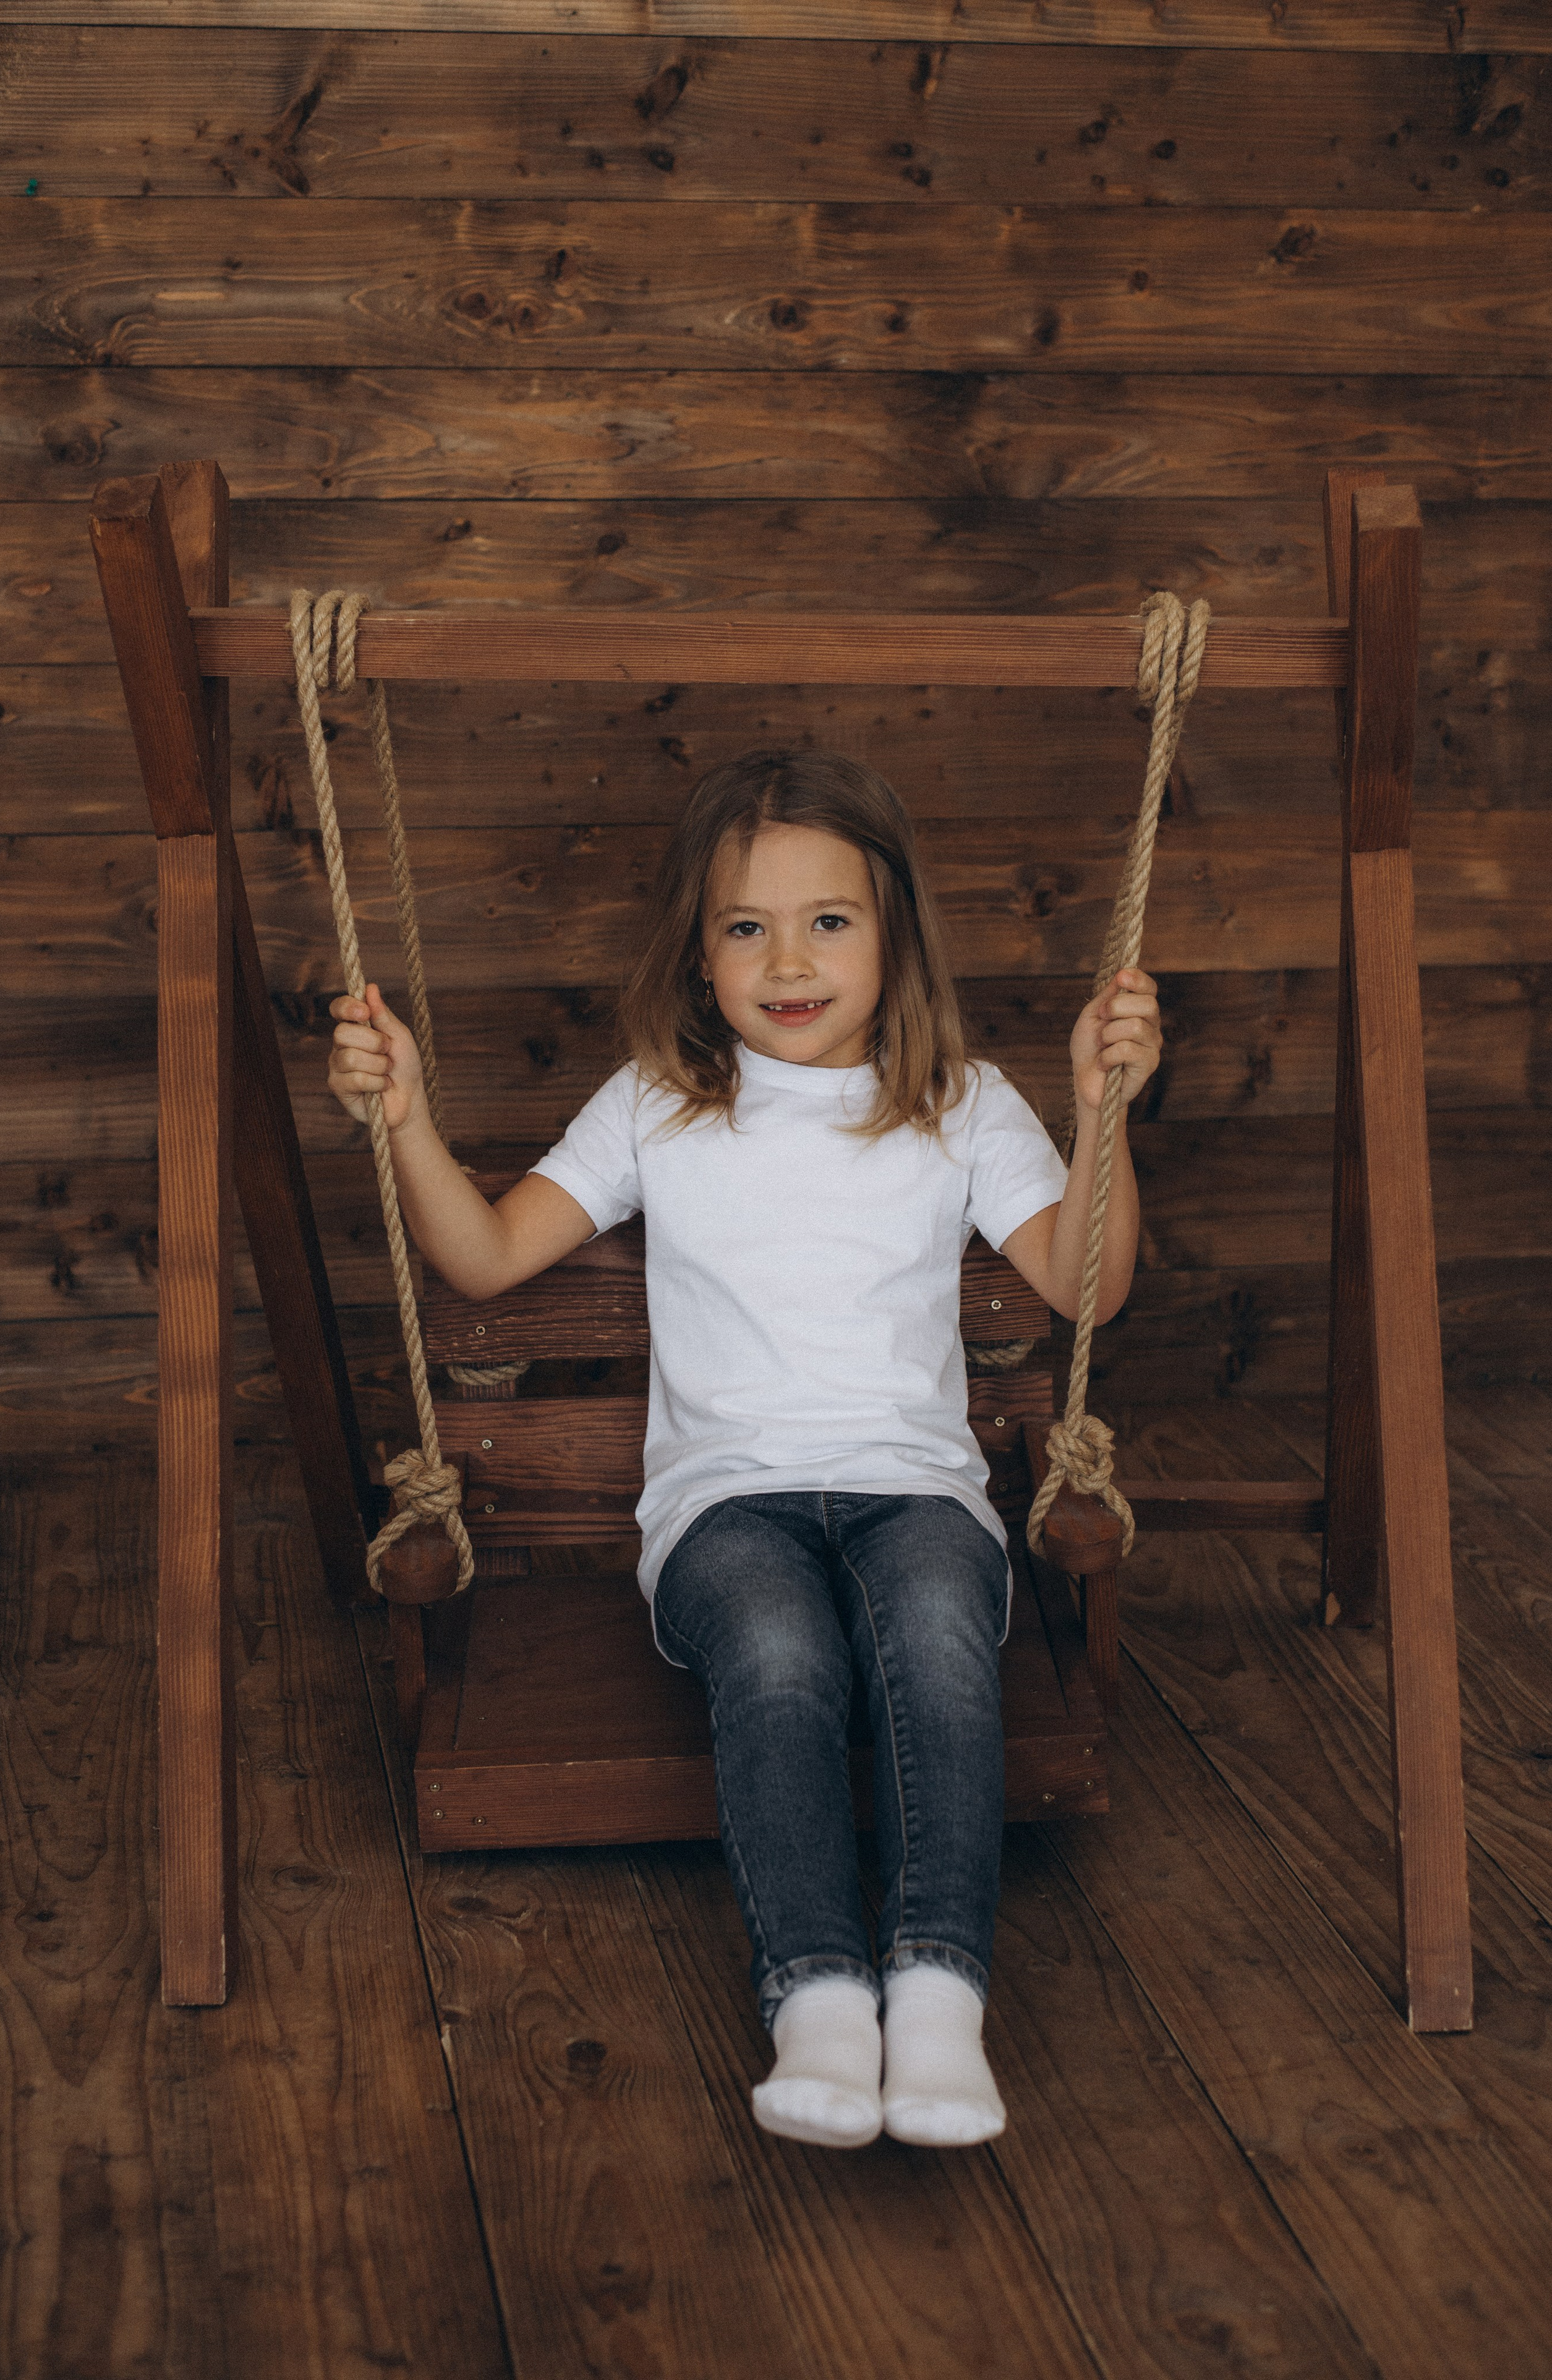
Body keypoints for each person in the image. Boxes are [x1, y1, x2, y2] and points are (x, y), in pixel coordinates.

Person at [328, 750, 1161, 2153]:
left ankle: (940, 1997)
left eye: (827, 919)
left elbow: (1084, 1284)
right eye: (744, 926)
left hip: (916, 1494)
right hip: (723, 1509)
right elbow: (481, 1257)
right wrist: (404, 1118)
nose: (789, 959)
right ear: (697, 952)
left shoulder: (962, 1100)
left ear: (891, 933)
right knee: (777, 1649)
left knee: (941, 1619)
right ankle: (819, 1998)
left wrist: (1102, 1115)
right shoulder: (659, 1101)